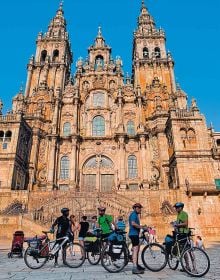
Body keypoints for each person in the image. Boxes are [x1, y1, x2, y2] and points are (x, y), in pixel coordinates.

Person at [129, 203, 146, 274]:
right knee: (136, 250)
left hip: (135, 234)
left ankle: (136, 264)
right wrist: (141, 227)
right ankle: (134, 268)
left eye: (140, 208)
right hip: (133, 234)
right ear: (135, 208)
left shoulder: (135, 215)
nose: (140, 209)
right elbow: (133, 223)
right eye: (139, 208)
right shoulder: (133, 214)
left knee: (137, 249)